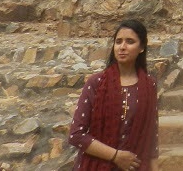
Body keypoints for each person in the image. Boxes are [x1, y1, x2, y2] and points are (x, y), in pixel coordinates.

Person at [68, 19, 159, 170]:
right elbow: (76, 134)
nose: (122, 47)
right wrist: (116, 156)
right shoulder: (96, 83)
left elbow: (151, 139)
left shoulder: (149, 85)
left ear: (141, 47)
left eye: (130, 42)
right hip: (97, 165)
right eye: (118, 42)